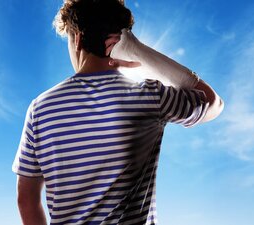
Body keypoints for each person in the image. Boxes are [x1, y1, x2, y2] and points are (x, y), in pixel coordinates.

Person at [12, 0, 224, 224]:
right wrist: (141, 53)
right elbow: (213, 103)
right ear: (122, 41)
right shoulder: (151, 96)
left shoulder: (40, 108)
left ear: (78, 39)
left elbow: (26, 199)